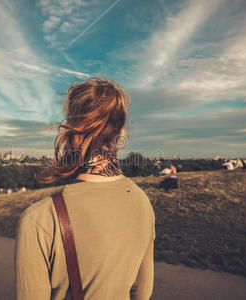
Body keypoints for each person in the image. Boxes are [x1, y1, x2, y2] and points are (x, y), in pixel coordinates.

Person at [14, 77, 155, 300]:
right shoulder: (142, 201)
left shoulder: (39, 219)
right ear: (122, 134)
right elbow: (142, 292)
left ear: (71, 133)